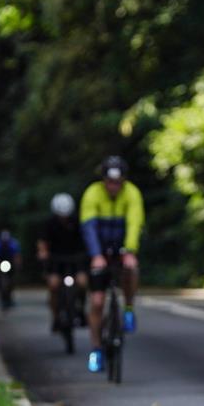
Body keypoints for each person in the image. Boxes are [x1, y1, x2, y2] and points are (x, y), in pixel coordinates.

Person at [80, 156, 145, 373]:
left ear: (124, 181)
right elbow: (88, 228)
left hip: (122, 249)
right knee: (97, 302)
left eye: (118, 182)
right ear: (103, 180)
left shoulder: (132, 193)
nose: (114, 186)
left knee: (131, 269)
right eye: (110, 181)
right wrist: (96, 255)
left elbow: (135, 223)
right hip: (99, 250)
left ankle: (128, 308)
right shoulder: (92, 193)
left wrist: (129, 251)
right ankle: (96, 349)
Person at [36, 193, 89, 332]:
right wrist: (43, 253)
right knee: (53, 286)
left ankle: (81, 309)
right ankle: (55, 317)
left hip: (76, 259)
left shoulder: (78, 221)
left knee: (82, 283)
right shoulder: (49, 223)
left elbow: (86, 239)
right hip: (56, 260)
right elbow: (42, 243)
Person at [0, 229, 22, 308]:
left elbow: (17, 256)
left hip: (10, 263)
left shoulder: (13, 244)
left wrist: (17, 266)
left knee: (11, 282)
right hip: (0, 263)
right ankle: (3, 299)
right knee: (2, 281)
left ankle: (9, 298)